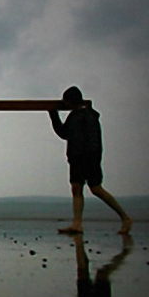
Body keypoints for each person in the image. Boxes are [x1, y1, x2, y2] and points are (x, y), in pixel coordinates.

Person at [49, 86, 132, 234]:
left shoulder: (84, 116)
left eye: (66, 101)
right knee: (77, 188)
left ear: (70, 101)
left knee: (96, 189)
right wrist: (53, 115)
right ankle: (77, 224)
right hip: (79, 157)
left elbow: (66, 134)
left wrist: (53, 115)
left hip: (86, 157)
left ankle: (125, 218)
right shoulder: (82, 115)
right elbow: (66, 134)